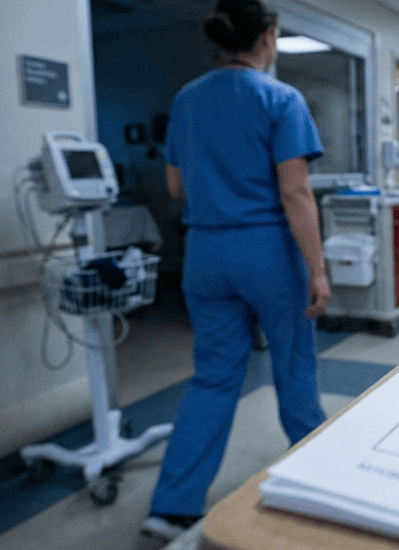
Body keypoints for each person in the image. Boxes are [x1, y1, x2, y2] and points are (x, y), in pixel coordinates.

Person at [141, 0, 330, 540]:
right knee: (294, 370)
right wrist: (317, 271)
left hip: (205, 253)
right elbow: (295, 191)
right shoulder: (281, 99)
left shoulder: (187, 98)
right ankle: (319, 486)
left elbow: (177, 188)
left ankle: (171, 507)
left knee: (213, 377)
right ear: (268, 37)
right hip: (266, 251)